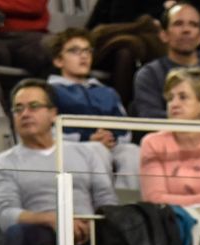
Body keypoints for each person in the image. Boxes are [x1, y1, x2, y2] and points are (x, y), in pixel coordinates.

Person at [0, 80, 117, 245]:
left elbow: (107, 199)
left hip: (88, 229)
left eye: (34, 106)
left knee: (118, 232)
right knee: (13, 237)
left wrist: (90, 221)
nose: (25, 113)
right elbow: (6, 215)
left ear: (53, 114)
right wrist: (54, 219)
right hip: (40, 230)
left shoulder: (87, 153)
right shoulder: (1, 163)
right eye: (18, 109)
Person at [137, 67, 200, 209]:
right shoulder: (153, 143)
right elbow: (154, 199)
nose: (174, 104)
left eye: (183, 97)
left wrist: (176, 201)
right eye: (170, 98)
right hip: (168, 222)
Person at [46, 26, 136, 179]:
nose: (84, 56)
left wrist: (109, 136)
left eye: (87, 51)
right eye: (75, 51)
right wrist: (87, 139)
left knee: (133, 152)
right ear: (58, 60)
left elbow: (125, 129)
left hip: (110, 146)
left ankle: (127, 202)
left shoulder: (108, 92)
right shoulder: (49, 91)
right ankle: (103, 202)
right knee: (96, 149)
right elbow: (48, 130)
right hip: (70, 148)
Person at [131, 3, 200, 121]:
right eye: (178, 24)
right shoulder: (149, 74)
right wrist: (195, 114)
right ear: (164, 35)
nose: (186, 30)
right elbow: (149, 117)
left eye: (193, 25)